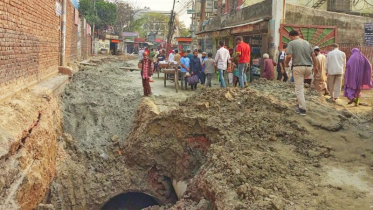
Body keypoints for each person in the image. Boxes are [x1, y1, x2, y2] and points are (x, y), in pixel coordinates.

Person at [285, 30, 318, 116]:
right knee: (301, 87)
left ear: (291, 36)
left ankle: (302, 109)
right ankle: (300, 103)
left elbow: (289, 56)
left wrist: (286, 64)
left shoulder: (292, 43)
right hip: (308, 68)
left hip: (298, 67)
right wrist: (315, 66)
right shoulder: (307, 43)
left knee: (299, 88)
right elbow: (313, 55)